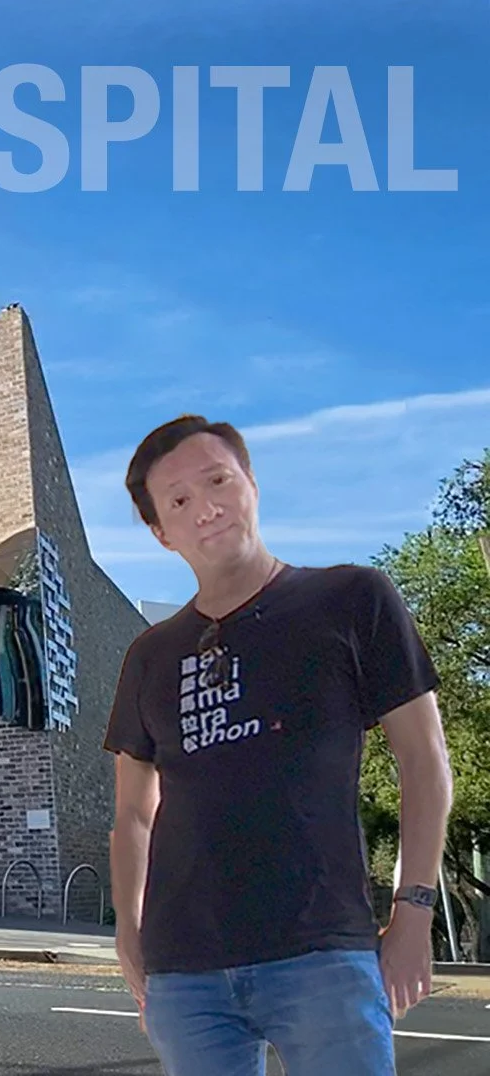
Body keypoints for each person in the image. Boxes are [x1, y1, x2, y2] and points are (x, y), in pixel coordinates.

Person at [104, 414, 455, 1075]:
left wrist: (414, 909)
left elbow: (424, 760)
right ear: (160, 531)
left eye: (218, 480)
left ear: (252, 484)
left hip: (323, 954)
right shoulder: (149, 656)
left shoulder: (352, 599)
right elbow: (133, 813)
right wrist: (129, 930)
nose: (206, 508)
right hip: (186, 974)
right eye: (179, 500)